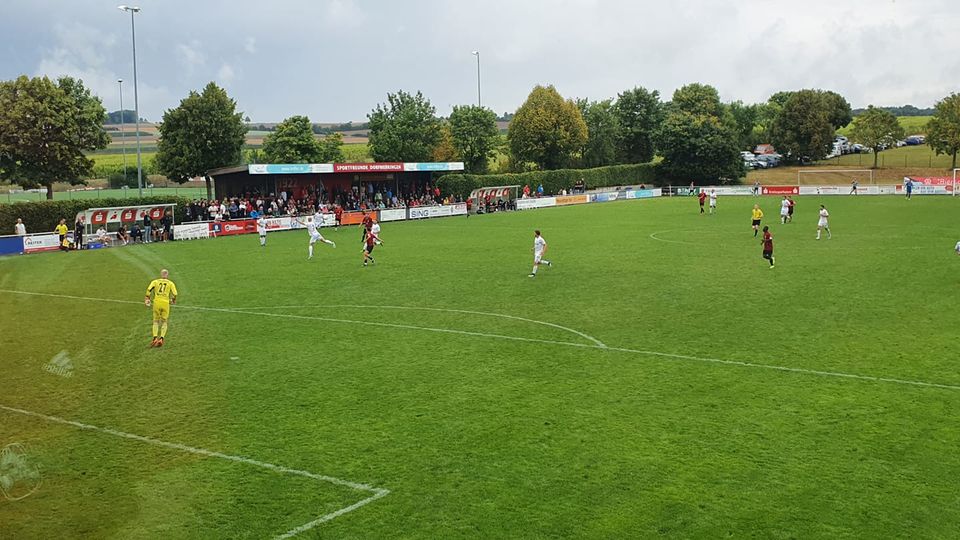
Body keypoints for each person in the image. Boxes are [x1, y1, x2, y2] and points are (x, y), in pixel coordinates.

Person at [144, 269, 178, 348]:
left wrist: (147, 297)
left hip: (157, 303)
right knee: (164, 321)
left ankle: (155, 338)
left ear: (161, 274)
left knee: (155, 321)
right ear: (167, 275)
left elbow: (149, 289)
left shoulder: (155, 281)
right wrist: (173, 300)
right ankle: (161, 338)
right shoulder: (170, 283)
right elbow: (175, 293)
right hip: (165, 304)